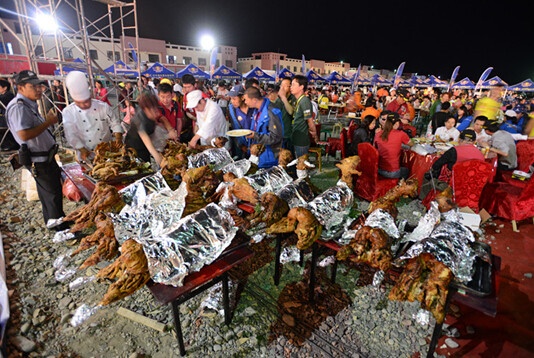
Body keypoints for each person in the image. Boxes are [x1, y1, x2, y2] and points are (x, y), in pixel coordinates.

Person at [5, 70, 65, 227]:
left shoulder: (27, 105)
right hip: (38, 160)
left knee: (51, 193)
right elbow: (24, 134)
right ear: (21, 87)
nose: (39, 90)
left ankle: (54, 222)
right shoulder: (19, 107)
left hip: (45, 158)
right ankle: (59, 228)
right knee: (52, 194)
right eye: (33, 86)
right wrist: (48, 122)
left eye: (40, 86)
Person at [62, 71, 123, 162]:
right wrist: (82, 149)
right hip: (85, 155)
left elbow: (115, 122)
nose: (84, 105)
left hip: (108, 153)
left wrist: (118, 137)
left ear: (90, 96)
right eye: (79, 103)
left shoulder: (103, 107)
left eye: (86, 101)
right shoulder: (68, 112)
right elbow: (71, 135)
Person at [420, 129, 485, 199]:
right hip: (472, 187)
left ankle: (423, 200)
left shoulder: (454, 150)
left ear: (459, 139)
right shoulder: (480, 154)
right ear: (474, 141)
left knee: (428, 176)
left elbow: (436, 165)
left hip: (453, 185)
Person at [124, 92, 170, 166]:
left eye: (156, 108)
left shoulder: (150, 114)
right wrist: (162, 163)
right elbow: (149, 146)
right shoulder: (140, 120)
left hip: (144, 148)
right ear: (145, 109)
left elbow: (158, 121)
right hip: (134, 148)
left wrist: (169, 131)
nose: (156, 112)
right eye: (153, 109)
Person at [243, 87, 283, 168]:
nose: (245, 102)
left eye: (246, 99)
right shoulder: (256, 110)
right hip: (259, 154)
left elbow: (275, 137)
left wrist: (256, 136)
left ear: (254, 100)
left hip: (269, 157)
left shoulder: (272, 111)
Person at [375, 113, 413, 179]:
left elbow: (375, 148)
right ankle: (399, 186)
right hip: (392, 172)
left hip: (379, 169)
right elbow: (411, 144)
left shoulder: (378, 134)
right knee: (407, 171)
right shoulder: (401, 134)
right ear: (397, 124)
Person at [290, 75, 318, 158]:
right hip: (295, 137)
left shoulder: (305, 101)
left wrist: (314, 135)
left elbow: (310, 121)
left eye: (293, 84)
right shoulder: (297, 100)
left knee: (301, 165)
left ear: (301, 87)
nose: (291, 87)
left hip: (301, 140)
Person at [227, 85, 254, 159]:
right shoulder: (232, 110)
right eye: (231, 99)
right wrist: (240, 145)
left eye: (234, 99)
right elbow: (234, 128)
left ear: (242, 98)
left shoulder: (253, 108)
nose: (232, 101)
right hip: (242, 145)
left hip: (255, 143)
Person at [276, 78, 295, 151]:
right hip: (279, 133)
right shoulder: (278, 99)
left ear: (290, 87)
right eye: (281, 86)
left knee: (289, 156)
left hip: (288, 133)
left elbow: (291, 111)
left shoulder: (293, 98)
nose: (282, 88)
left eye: (285, 86)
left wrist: (283, 97)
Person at [0, 78, 19, 150]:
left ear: (5, 88)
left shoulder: (9, 95)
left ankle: (9, 145)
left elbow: (2, 100)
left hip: (9, 120)